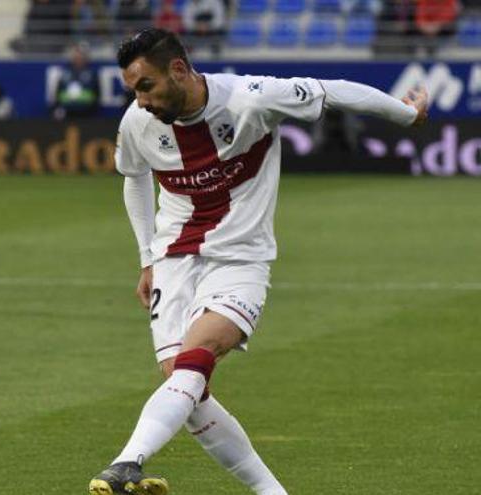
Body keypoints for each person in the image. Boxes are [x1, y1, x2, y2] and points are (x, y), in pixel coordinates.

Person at [89, 28, 427, 495]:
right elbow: (134, 177)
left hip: (240, 261)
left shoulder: (250, 98)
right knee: (188, 393)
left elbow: (335, 93)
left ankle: (126, 462)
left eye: (145, 86)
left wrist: (406, 113)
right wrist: (147, 257)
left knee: (194, 363)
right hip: (174, 259)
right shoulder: (137, 122)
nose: (140, 100)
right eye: (133, 90)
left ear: (179, 70)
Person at [51, 43, 100, 120]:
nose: (78, 58)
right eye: (76, 56)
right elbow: (58, 91)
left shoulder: (91, 74)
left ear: (85, 58)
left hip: (86, 112)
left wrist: (92, 108)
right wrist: (58, 106)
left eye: (81, 56)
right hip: (67, 112)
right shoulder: (65, 73)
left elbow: (97, 93)